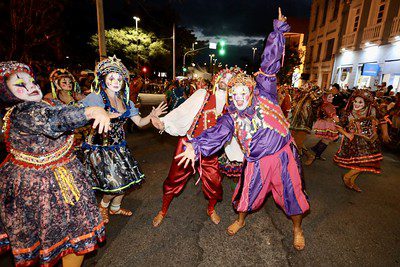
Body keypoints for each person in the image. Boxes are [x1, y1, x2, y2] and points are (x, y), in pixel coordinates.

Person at [175, 9, 309, 250]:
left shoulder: (265, 94)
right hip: (256, 161)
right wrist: (195, 146)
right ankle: (240, 221)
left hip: (283, 156)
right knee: (246, 195)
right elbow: (216, 133)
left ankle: (297, 229)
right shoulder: (231, 116)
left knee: (292, 196)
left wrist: (277, 32)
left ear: (250, 91)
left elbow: (269, 65)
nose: (237, 97)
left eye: (242, 92)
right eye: (233, 94)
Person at [0, 61, 114, 266]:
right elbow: (55, 119)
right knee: (53, 233)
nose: (30, 86)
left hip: (61, 175)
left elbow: (67, 110)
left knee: (74, 235)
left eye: (31, 81)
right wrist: (91, 112)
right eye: (20, 84)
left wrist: (92, 110)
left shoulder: (45, 104)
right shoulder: (24, 112)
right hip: (42, 186)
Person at [151, 68, 243, 227]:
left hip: (209, 152)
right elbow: (182, 111)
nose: (225, 80)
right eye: (224, 76)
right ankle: (163, 210)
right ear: (217, 78)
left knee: (214, 183)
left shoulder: (232, 105)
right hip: (188, 145)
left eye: (230, 79)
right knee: (174, 178)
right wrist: (163, 122)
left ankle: (211, 209)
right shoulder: (203, 94)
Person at [80, 56, 166, 224]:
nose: (116, 81)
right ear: (103, 79)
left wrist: (151, 116)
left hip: (119, 147)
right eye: (111, 77)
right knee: (114, 183)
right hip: (100, 148)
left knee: (127, 181)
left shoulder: (126, 102)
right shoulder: (96, 97)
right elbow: (80, 114)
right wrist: (99, 113)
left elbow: (140, 123)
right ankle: (103, 206)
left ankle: (115, 208)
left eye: (119, 78)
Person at [334, 89, 390, 192]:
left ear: (366, 103)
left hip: (371, 142)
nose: (356, 104)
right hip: (355, 143)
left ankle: (351, 180)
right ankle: (347, 177)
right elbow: (338, 126)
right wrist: (347, 134)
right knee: (362, 163)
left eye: (360, 102)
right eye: (355, 101)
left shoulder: (372, 110)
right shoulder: (348, 114)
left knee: (364, 164)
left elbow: (382, 121)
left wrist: (385, 133)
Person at [304, 89, 339, 165]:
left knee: (325, 139)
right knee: (327, 140)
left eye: (332, 96)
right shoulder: (329, 105)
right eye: (330, 97)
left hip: (323, 122)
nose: (332, 98)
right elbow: (334, 117)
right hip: (328, 124)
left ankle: (315, 149)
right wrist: (338, 120)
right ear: (325, 98)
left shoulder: (323, 104)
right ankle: (317, 154)